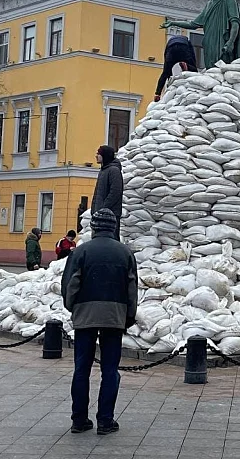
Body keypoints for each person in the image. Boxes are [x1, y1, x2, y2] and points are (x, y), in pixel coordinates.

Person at [62, 209, 138, 436]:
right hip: (114, 316)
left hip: (85, 315)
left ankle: (79, 420)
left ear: (94, 227)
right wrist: (129, 316)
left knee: (81, 369)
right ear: (113, 227)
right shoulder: (125, 253)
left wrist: (74, 308)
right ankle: (105, 420)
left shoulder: (81, 252)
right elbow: (131, 289)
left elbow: (70, 285)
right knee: (110, 370)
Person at [160, 0, 240, 70]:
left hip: (223, 41)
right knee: (211, 70)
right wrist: (173, 23)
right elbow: (193, 24)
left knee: (224, 69)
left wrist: (230, 42)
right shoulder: (209, 5)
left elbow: (235, 23)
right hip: (209, 42)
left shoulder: (229, 1)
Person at [92, 145, 124, 241]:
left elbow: (116, 192)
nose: (96, 156)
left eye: (99, 153)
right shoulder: (103, 170)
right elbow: (98, 193)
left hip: (110, 215)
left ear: (105, 155)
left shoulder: (113, 170)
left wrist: (104, 208)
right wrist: (93, 209)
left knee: (111, 240)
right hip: (100, 214)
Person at [154, 35, 198, 101]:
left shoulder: (169, 42)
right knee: (193, 69)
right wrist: (192, 66)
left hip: (171, 48)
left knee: (165, 72)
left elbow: (166, 55)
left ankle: (157, 94)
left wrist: (159, 92)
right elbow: (192, 54)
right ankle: (185, 65)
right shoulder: (187, 40)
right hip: (184, 46)